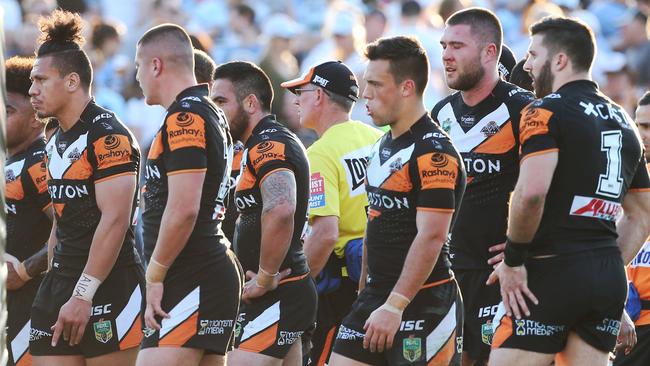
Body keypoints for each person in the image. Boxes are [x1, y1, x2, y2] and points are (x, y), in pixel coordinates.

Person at [487, 16, 650, 366]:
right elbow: (642, 214)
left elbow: (531, 194)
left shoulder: (545, 110)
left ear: (559, 60)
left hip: (552, 271)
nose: (526, 65)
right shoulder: (623, 119)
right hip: (606, 278)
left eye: (533, 55)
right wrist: (603, 263)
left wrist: (514, 261)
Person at [330, 35, 466, 366]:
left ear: (406, 88)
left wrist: (395, 304)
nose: (365, 94)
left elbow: (432, 235)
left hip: (425, 301)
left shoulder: (433, 152)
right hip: (376, 297)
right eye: (366, 84)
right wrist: (365, 288)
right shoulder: (382, 144)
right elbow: (373, 219)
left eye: (376, 84)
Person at [28, 10, 144, 366]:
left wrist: (83, 295)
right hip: (59, 284)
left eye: (41, 80)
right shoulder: (53, 140)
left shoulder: (108, 135)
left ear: (72, 81)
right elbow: (60, 220)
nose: (32, 89)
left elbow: (115, 221)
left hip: (108, 286)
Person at [430, 8, 535, 366]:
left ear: (490, 52)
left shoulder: (525, 110)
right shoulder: (439, 113)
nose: (446, 54)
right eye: (444, 45)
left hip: (502, 276)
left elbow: (551, 188)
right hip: (446, 273)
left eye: (457, 45)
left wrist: (524, 245)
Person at [135, 24, 241, 366]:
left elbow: (183, 208)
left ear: (155, 65)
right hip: (205, 271)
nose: (136, 76)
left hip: (189, 275)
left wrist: (155, 275)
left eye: (138, 65)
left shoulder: (185, 116)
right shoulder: (203, 109)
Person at [211, 61, 317, 365]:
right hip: (277, 292)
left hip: (277, 289)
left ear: (251, 103)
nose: (215, 111)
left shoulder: (269, 141)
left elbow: (282, 209)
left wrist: (267, 276)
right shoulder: (253, 144)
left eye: (221, 101)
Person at [280, 61, 382, 365]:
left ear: (320, 95)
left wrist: (299, 290)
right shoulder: (376, 138)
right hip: (382, 279)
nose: (297, 99)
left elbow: (325, 234)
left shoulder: (320, 154)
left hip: (342, 290)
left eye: (302, 91)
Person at [5, 56, 52, 366]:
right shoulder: (9, 162)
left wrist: (23, 271)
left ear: (36, 117)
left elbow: (78, 231)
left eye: (8, 110)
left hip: (36, 309)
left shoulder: (40, 162)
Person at [614, 91, 650, 365]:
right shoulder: (627, 177)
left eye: (649, 126)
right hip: (629, 316)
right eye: (639, 125)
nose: (642, 134)